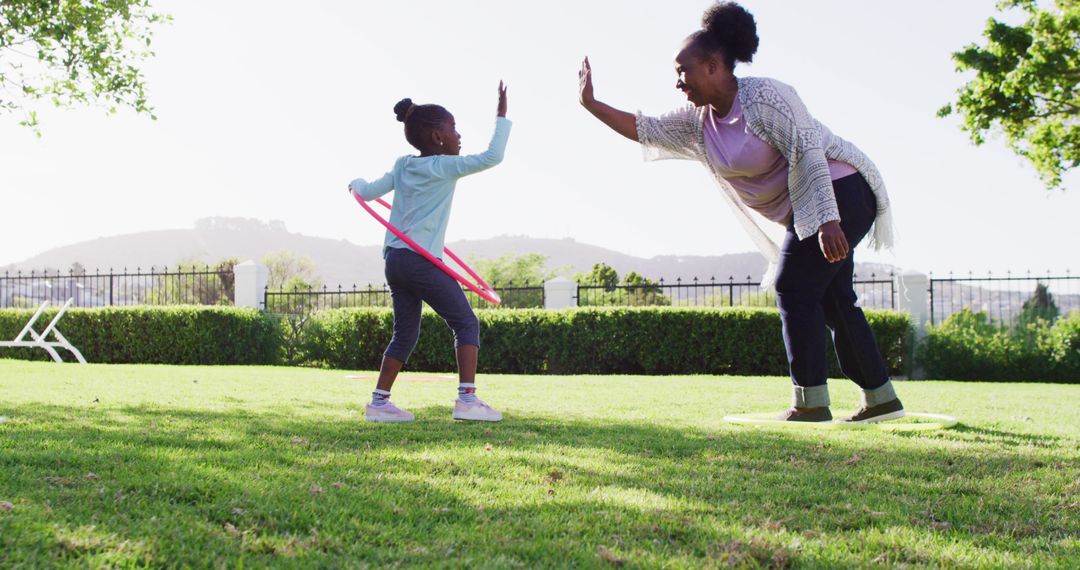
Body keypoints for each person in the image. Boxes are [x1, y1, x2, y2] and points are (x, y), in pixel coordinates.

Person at [578, 2, 902, 422]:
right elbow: (647, 128)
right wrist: (592, 103)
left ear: (714, 66)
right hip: (813, 211)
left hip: (842, 190)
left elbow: (808, 149)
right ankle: (880, 398)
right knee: (835, 300)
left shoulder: (765, 97)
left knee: (793, 287)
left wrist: (828, 219)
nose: (678, 81)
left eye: (684, 70)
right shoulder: (699, 122)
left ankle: (811, 403)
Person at [348, 82, 511, 423]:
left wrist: (355, 183)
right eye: (453, 129)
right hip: (419, 260)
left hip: (395, 260)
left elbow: (368, 191)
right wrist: (501, 116)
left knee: (405, 333)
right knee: (466, 322)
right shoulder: (444, 167)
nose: (459, 135)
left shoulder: (403, 166)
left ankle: (379, 403)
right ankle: (467, 400)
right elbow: (492, 157)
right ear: (438, 136)